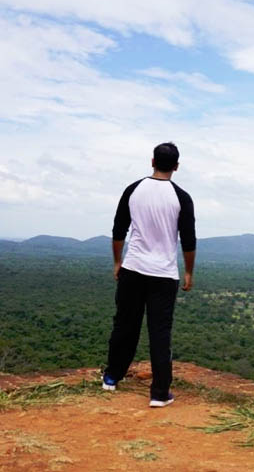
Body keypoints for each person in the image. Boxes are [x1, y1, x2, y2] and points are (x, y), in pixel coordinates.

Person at [102, 142, 196, 408]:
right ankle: (159, 393)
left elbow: (118, 230)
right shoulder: (182, 197)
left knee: (124, 325)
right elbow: (188, 240)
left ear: (152, 161)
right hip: (164, 274)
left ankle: (111, 377)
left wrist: (117, 262)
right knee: (160, 332)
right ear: (176, 166)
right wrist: (188, 271)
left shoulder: (133, 190)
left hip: (133, 268)